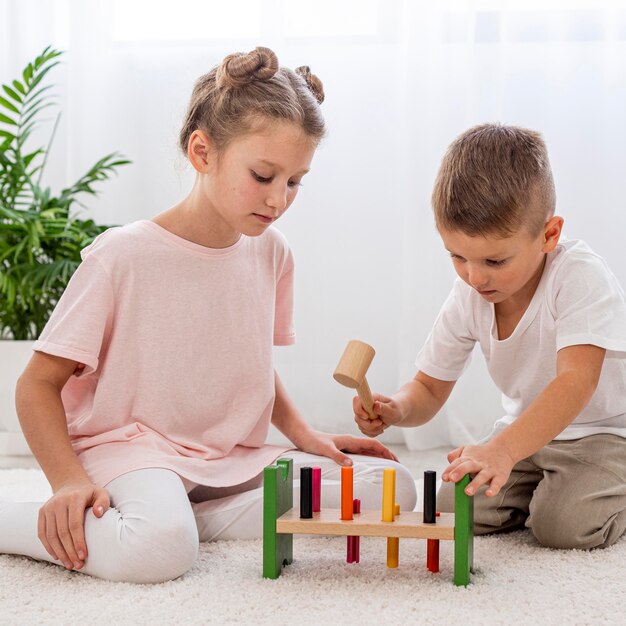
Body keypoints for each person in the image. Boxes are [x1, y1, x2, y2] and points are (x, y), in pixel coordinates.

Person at [0, 47, 416, 583]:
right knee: (160, 553)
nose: (279, 199)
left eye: (294, 181)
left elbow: (248, 359)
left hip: (227, 456)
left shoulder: (271, 252)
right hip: (132, 449)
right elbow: (36, 385)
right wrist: (66, 484)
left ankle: (180, 517)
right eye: (263, 175)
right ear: (202, 152)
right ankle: (81, 521)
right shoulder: (121, 256)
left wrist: (306, 435)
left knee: (390, 486)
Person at [354, 123, 626, 550]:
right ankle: (541, 490)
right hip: (522, 435)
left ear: (549, 235)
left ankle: (582, 492)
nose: (474, 276)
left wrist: (502, 449)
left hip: (603, 436)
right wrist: (398, 409)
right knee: (451, 506)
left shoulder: (579, 277)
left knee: (564, 527)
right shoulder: (471, 292)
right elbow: (428, 386)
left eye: (494, 260)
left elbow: (577, 382)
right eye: (457, 257)